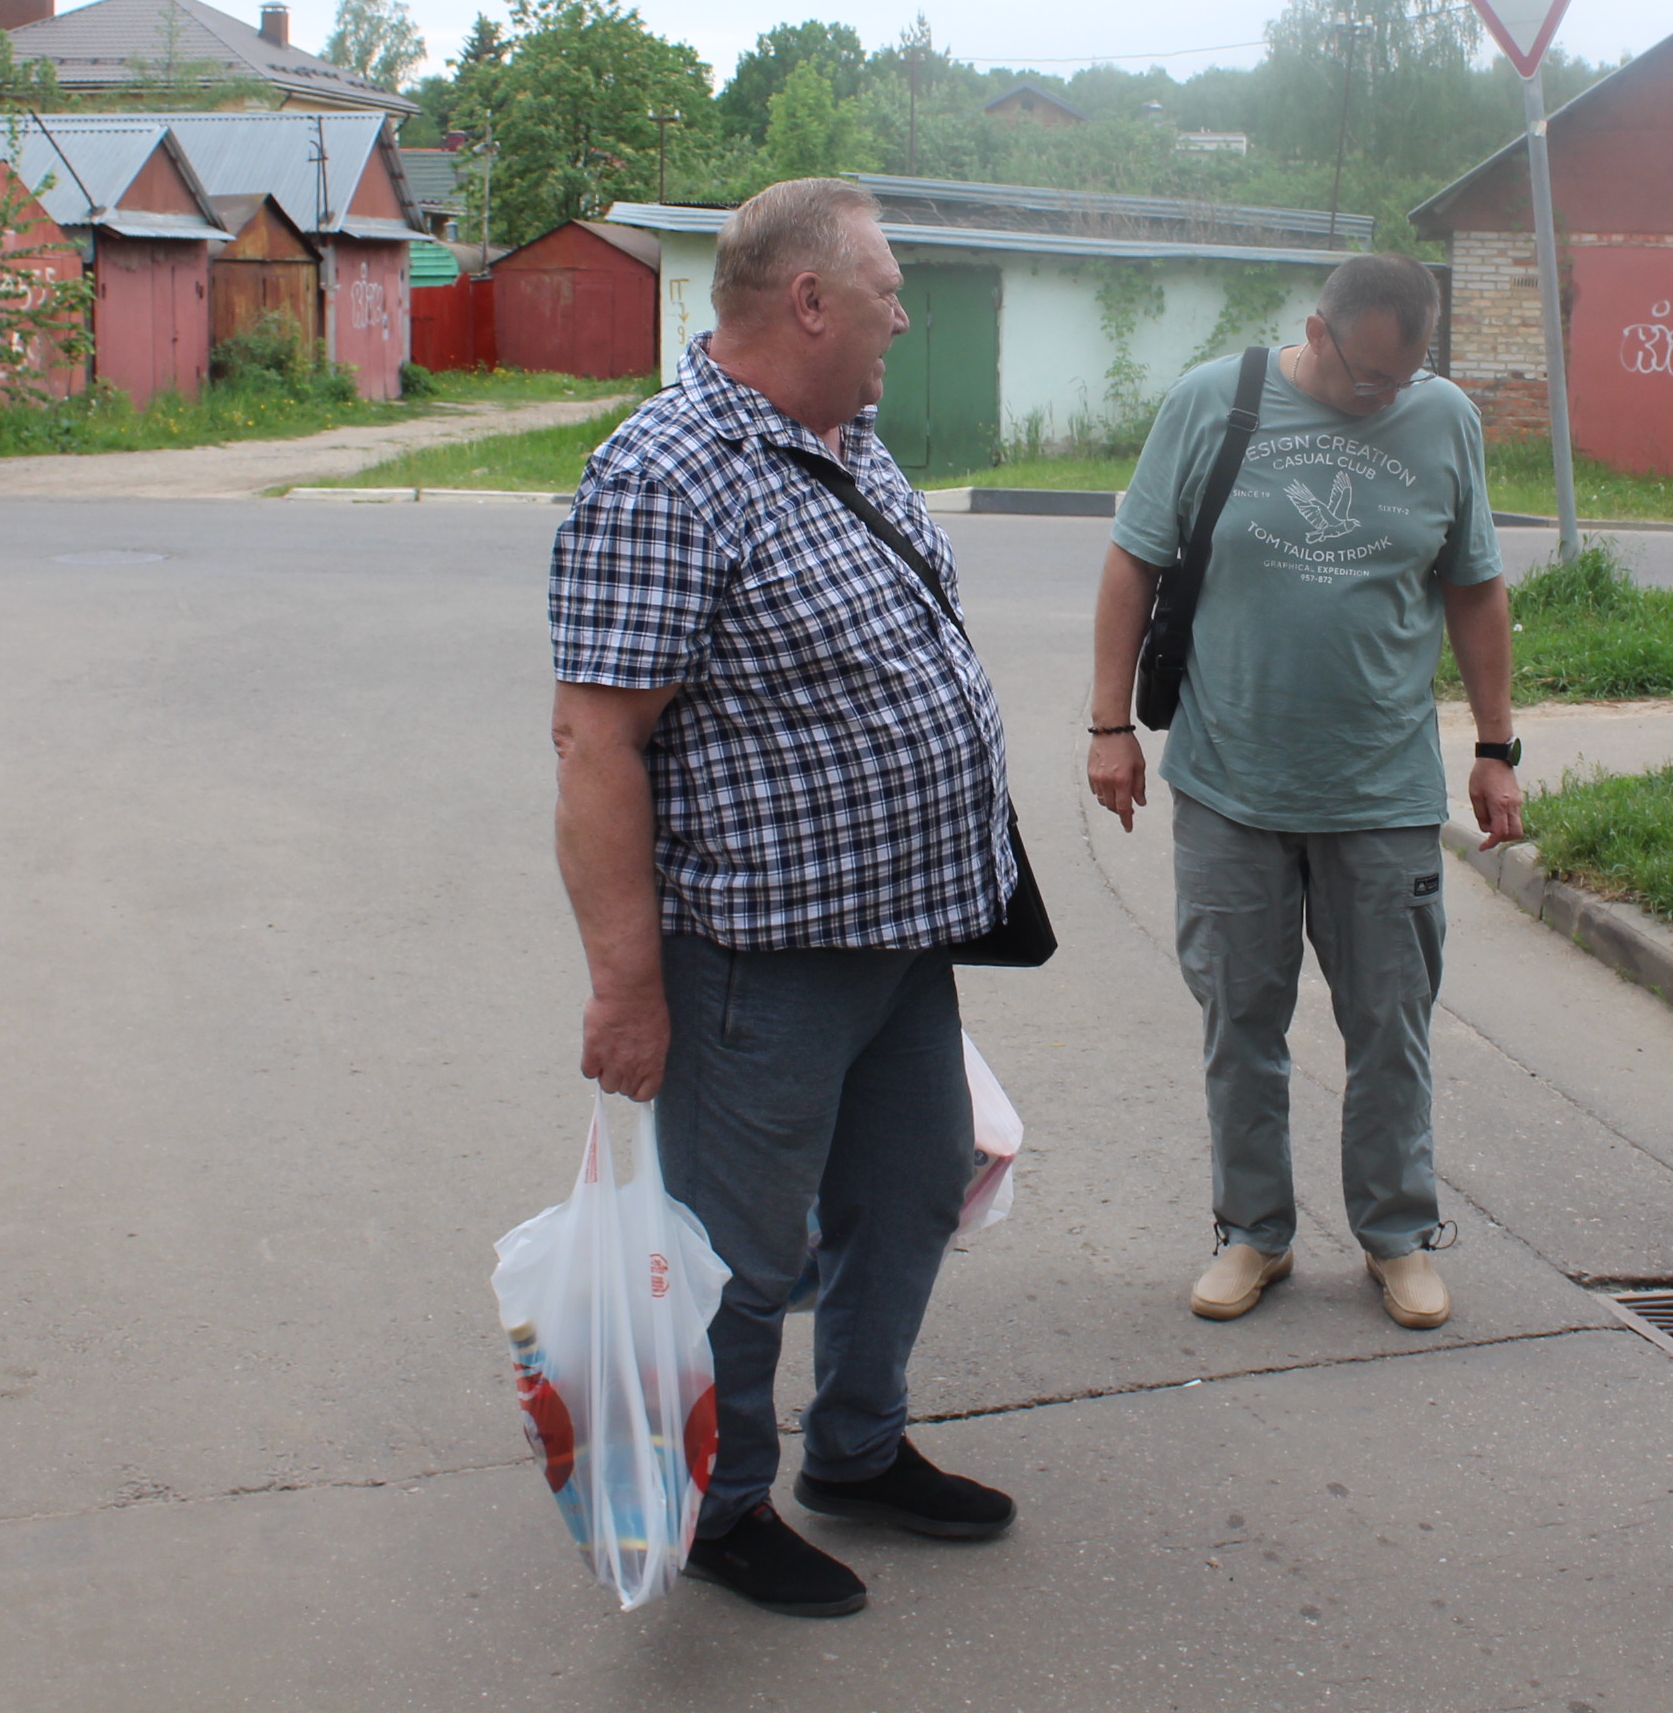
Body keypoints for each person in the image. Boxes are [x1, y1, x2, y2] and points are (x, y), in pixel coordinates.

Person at [548, 177, 1017, 1621]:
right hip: (759, 958)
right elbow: (595, 741)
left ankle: (858, 1452)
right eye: (886, 284)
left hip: (902, 937)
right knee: (741, 1257)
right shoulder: (663, 473)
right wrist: (630, 986)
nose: (904, 310)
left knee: (914, 1188)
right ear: (809, 299)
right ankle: (725, 1497)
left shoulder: (847, 442)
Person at [1085, 252, 1524, 1334]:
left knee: (1392, 1025)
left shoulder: (1443, 420)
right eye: (1369, 377)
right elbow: (1133, 562)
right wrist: (1108, 728)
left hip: (1381, 788)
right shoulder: (1214, 399)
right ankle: (1253, 1233)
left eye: (1405, 377)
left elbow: (1475, 590)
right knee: (1242, 1020)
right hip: (1230, 781)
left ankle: (1397, 1237)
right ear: (1317, 332)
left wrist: (1496, 745)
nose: (1387, 397)